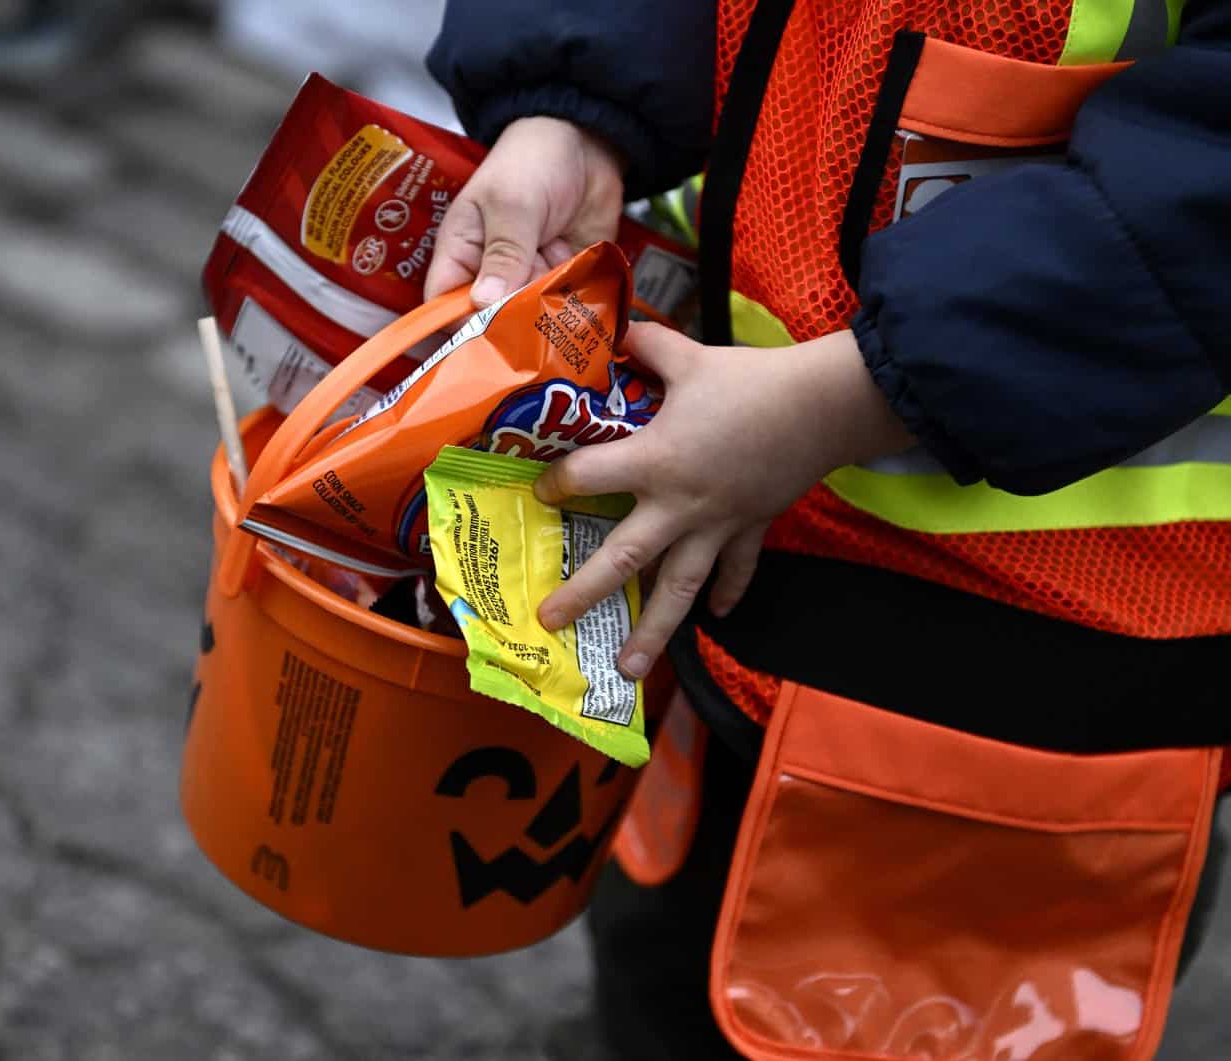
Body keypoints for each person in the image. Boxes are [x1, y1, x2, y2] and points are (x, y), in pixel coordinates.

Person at [422, 1, 1231, 1059]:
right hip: (732, 569)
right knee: (661, 957)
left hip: (1035, 678)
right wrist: (571, 110)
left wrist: (837, 400)